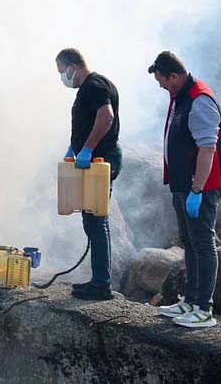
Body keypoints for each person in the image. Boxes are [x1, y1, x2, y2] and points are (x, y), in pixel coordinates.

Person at [148, 51, 221, 328]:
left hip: (200, 187)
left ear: (174, 76)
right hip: (183, 184)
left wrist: (198, 189)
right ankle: (190, 299)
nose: (161, 86)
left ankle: (204, 308)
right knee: (188, 241)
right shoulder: (180, 96)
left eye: (162, 81)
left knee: (202, 243)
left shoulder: (199, 99)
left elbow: (207, 148)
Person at [56, 48, 123, 301]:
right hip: (93, 159)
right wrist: (74, 147)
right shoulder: (90, 87)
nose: (63, 78)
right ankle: (98, 280)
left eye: (63, 72)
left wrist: (87, 148)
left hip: (99, 159)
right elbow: (88, 122)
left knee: (96, 220)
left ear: (73, 66)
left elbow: (106, 116)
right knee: (91, 219)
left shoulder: (94, 85)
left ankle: (102, 284)